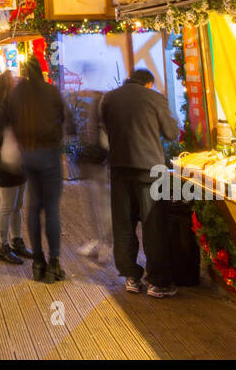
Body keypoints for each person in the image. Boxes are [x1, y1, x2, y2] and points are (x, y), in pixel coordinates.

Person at [99, 67, 181, 298]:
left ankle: (131, 277)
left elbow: (105, 127)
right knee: (153, 225)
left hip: (119, 169)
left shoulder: (110, 98)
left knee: (123, 224)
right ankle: (158, 283)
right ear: (148, 83)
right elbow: (172, 132)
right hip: (149, 171)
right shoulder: (155, 98)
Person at [0, 56, 73, 283]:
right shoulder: (51, 92)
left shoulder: (17, 95)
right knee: (51, 209)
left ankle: (38, 262)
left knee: (33, 207)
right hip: (49, 155)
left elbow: (7, 120)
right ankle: (55, 262)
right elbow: (67, 121)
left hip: (28, 155)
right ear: (42, 70)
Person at [0, 71, 33, 265]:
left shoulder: (10, 105)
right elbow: (0, 132)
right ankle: (2, 246)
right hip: (5, 160)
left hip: (19, 158)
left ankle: (16, 241)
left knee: (18, 204)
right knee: (7, 205)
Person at [75, 86, 112, 264]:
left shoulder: (102, 101)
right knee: (97, 201)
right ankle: (100, 241)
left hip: (100, 161)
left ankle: (105, 243)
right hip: (97, 160)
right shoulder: (98, 101)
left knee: (103, 202)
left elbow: (100, 132)